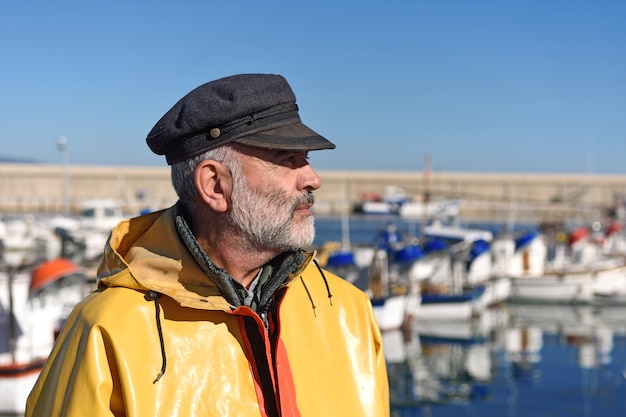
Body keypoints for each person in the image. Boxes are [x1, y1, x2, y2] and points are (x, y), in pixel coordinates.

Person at [26, 73, 389, 417]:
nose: (313, 178)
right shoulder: (105, 332)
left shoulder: (348, 311)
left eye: (306, 159)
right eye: (287, 160)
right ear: (215, 185)